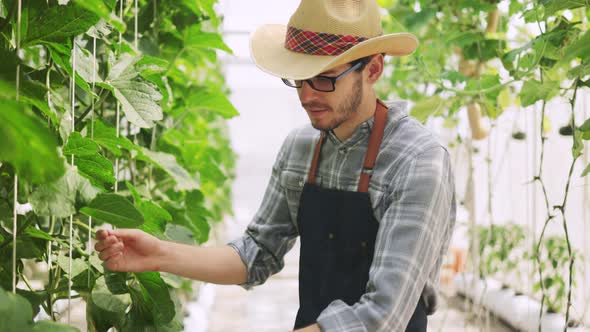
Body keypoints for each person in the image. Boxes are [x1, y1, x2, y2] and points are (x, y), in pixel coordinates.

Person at [95, 0, 457, 331]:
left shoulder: (417, 160)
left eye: (324, 77)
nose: (307, 95)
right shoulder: (301, 148)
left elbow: (384, 314)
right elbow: (256, 254)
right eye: (298, 78)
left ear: (373, 69)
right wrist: (159, 254)